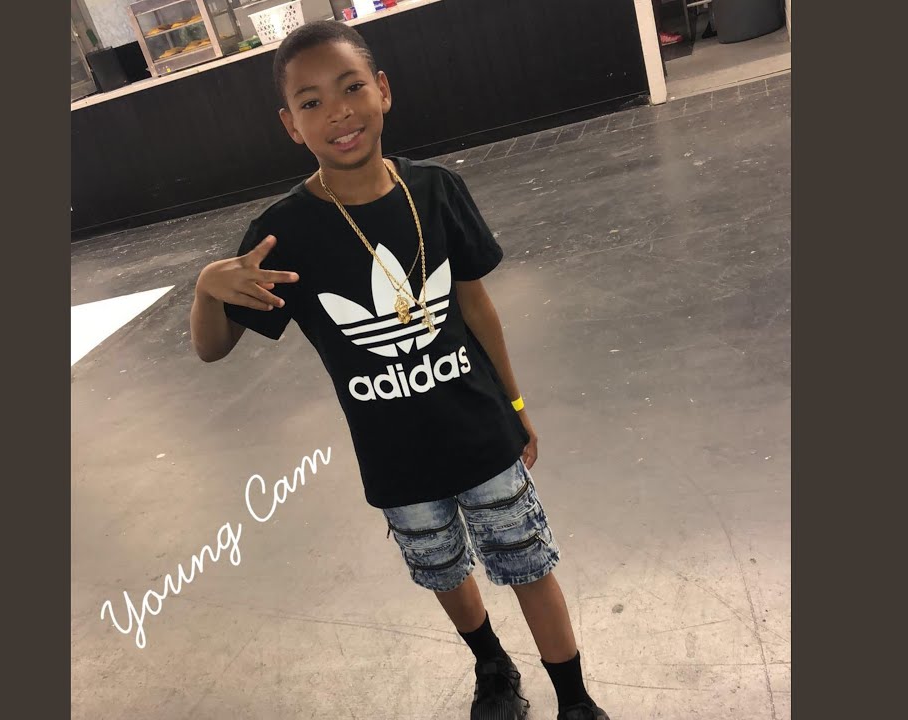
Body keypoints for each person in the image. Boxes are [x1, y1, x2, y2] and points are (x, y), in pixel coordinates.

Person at [189, 20, 611, 720]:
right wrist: (208, 288)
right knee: (442, 569)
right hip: (395, 455)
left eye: (351, 88)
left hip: (482, 432)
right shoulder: (284, 233)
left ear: (382, 90)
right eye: (312, 102)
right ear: (291, 124)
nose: (338, 112)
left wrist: (515, 405)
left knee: (528, 563)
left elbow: (477, 307)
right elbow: (213, 348)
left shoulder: (437, 190)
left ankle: (575, 699)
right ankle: (492, 664)